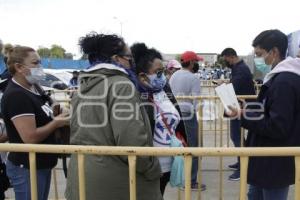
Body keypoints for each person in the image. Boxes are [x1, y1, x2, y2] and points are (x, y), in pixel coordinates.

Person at [65, 33, 162, 200]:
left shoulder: (84, 85)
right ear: (117, 59)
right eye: (129, 57)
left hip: (83, 177)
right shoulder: (121, 85)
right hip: (116, 183)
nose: (132, 63)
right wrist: (152, 167)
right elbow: (131, 142)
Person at [227, 29, 300, 200]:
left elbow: (277, 126)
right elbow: (270, 109)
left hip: (274, 162)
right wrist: (249, 108)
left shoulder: (285, 81)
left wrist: (244, 116)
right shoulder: (278, 77)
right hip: (265, 159)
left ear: (274, 52)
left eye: (260, 54)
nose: (258, 59)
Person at [1, 46, 69, 200]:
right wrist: (56, 123)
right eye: (35, 63)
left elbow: (48, 110)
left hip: (40, 163)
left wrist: (59, 112)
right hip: (27, 167)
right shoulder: (16, 95)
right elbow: (30, 137)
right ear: (19, 67)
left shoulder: (34, 88)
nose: (40, 67)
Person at [130, 43, 187, 195]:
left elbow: (177, 119)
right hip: (150, 168)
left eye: (163, 71)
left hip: (170, 163)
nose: (163, 76)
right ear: (142, 76)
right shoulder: (134, 96)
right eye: (158, 72)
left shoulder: (164, 89)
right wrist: (149, 166)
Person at [169, 51, 206, 191]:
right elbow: (197, 102)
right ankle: (190, 182)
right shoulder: (193, 78)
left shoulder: (174, 75)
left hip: (175, 114)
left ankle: (179, 178)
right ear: (191, 63)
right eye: (196, 61)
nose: (197, 64)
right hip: (188, 116)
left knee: (179, 146)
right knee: (193, 147)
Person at [220, 47, 256, 181]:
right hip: (238, 106)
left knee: (237, 137)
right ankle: (241, 161)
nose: (225, 62)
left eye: (226, 59)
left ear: (231, 56)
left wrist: (224, 87)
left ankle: (244, 167)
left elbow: (234, 87)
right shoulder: (238, 68)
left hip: (241, 107)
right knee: (237, 137)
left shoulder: (241, 69)